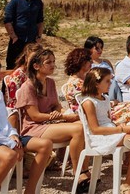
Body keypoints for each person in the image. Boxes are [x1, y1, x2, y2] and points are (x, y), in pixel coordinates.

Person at [0, 61, 54, 194]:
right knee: (9, 156)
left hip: (4, 138)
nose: (0, 79)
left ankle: (30, 191)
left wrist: (13, 134)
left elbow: (4, 122)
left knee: (45, 144)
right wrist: (9, 142)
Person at [14, 49, 89, 191]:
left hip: (50, 123)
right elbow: (35, 116)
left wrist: (64, 113)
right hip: (33, 128)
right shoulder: (28, 86)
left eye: (53, 62)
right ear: (36, 66)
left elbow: (57, 106)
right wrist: (63, 116)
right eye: (48, 62)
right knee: (78, 128)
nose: (53, 65)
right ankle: (79, 173)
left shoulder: (50, 83)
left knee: (82, 125)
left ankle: (83, 170)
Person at [78, 67, 130, 194]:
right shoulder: (88, 102)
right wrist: (122, 129)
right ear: (96, 83)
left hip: (113, 130)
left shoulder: (105, 98)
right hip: (100, 136)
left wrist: (121, 127)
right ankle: (128, 183)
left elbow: (109, 120)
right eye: (107, 81)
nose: (111, 84)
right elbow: (95, 129)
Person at [3, 0, 44, 69]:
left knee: (31, 67)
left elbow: (40, 21)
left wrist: (39, 37)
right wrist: (13, 37)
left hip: (32, 41)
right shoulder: (15, 2)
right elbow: (7, 20)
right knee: (12, 66)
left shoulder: (38, 3)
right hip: (18, 40)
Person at [3, 43, 41, 109]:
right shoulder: (18, 77)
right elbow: (14, 103)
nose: (36, 61)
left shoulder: (37, 73)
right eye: (33, 58)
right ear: (26, 58)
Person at [61, 47, 94, 113]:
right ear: (82, 62)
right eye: (89, 60)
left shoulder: (85, 78)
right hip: (85, 112)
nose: (92, 62)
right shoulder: (75, 83)